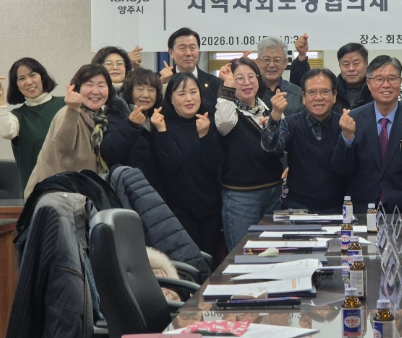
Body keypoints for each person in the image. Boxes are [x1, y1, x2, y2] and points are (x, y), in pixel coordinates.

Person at [332, 55, 402, 214]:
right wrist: (347, 137)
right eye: (379, 79)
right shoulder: (353, 118)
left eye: (392, 78)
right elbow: (340, 169)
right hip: (361, 211)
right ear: (368, 84)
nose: (386, 85)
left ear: (400, 82)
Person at [215, 57, 284, 251]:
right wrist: (227, 86)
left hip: (273, 192)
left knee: (272, 253)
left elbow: (281, 145)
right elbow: (224, 123)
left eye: (251, 76)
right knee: (243, 255)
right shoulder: (227, 110)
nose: (247, 82)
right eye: (239, 78)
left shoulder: (269, 108)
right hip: (241, 197)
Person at [153, 72, 222, 255]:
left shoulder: (208, 121)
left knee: (211, 259)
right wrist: (162, 131)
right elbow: (173, 164)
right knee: (188, 261)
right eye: (181, 94)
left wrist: (204, 136)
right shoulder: (162, 124)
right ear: (171, 98)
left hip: (211, 208)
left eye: (193, 92)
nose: (189, 99)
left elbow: (214, 164)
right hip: (178, 210)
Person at [262, 68, 349, 213]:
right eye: (312, 92)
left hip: (339, 209)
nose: (318, 97)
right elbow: (270, 148)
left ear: (334, 96)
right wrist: (275, 115)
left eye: (325, 92)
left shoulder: (345, 125)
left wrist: (348, 135)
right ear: (303, 97)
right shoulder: (290, 124)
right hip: (298, 208)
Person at [24, 64, 115, 198]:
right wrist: (72, 110)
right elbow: (62, 147)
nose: (95, 91)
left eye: (101, 85)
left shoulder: (100, 119)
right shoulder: (68, 113)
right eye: (89, 85)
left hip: (79, 194)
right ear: (77, 89)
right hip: (51, 195)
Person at [0, 58, 64, 191]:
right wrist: (0, 99)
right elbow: (6, 132)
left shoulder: (66, 104)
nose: (29, 82)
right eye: (22, 78)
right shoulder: (17, 116)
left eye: (32, 75)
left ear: (42, 77)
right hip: (36, 191)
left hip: (71, 186)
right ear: (17, 86)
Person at [101, 68, 166, 198]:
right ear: (129, 91)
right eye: (140, 89)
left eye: (151, 90)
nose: (146, 95)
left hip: (158, 192)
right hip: (130, 192)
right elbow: (109, 153)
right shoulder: (115, 116)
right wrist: (130, 125)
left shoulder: (159, 117)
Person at [159, 27, 221, 113]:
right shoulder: (159, 81)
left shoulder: (215, 82)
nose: (188, 53)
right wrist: (162, 86)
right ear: (171, 52)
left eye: (192, 48)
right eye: (182, 48)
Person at [256, 36, 304, 117]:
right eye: (266, 60)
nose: (271, 65)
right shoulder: (250, 92)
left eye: (277, 60)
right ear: (258, 62)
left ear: (285, 63)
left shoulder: (297, 94)